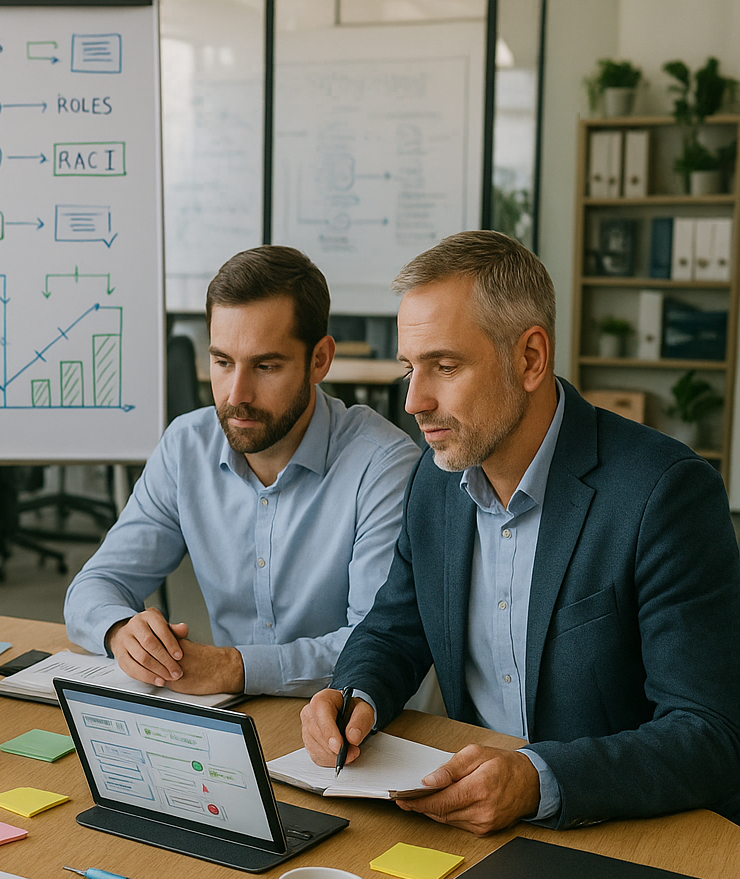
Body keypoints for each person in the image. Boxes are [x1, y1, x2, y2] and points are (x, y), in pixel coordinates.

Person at [302, 229, 740, 833]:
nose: (415, 400)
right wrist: (353, 696)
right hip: (470, 826)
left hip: (625, 835)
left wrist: (536, 780)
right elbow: (397, 629)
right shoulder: (435, 480)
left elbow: (710, 735)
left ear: (530, 358)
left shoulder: (664, 494)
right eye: (410, 368)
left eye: (445, 366)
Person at [64, 246, 419, 699]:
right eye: (222, 362)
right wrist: (119, 631)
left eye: (266, 366)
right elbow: (94, 587)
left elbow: (376, 647)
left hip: (347, 727)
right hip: (228, 718)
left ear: (320, 360)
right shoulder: (186, 446)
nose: (237, 395)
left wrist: (232, 667)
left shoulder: (382, 465)